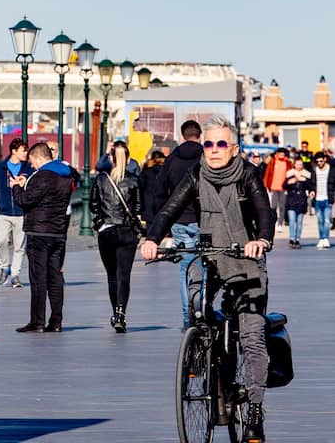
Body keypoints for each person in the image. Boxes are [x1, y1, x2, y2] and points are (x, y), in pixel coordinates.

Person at [141, 117, 274, 443]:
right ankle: (205, 347)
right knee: (197, 302)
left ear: (234, 149)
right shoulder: (196, 174)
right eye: (209, 144)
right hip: (210, 254)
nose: (214, 150)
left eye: (221, 144)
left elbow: (264, 212)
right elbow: (170, 209)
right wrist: (152, 238)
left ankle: (254, 411)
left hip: (246, 260)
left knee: (253, 337)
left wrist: (262, 240)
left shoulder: (247, 176)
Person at [12, 142, 76, 333]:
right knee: (55, 277)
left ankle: (37, 321)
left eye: (32, 161)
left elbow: (25, 201)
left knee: (38, 278)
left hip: (39, 232)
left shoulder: (43, 176)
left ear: (39, 157)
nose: (32, 165)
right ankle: (56, 321)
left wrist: (17, 187)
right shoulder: (65, 175)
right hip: (58, 231)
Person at [91, 140, 143, 333]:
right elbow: (139, 208)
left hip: (107, 230)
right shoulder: (134, 180)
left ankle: (115, 312)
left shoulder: (101, 179)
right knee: (124, 276)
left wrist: (99, 223)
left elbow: (93, 205)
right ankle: (121, 313)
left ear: (111, 158)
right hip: (127, 231)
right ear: (128, 159)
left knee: (112, 276)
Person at [160, 119, 205, 329]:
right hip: (202, 219)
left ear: (182, 135)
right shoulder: (207, 158)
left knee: (185, 268)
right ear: (200, 134)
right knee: (203, 266)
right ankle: (200, 311)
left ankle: (187, 319)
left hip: (178, 219)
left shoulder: (172, 160)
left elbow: (160, 190)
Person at [0, 138, 32, 287]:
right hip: (4, 212)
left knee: (19, 246)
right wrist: (0, 201)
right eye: (23, 150)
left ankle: (15, 275)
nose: (26, 153)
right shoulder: (0, 167)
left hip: (21, 212)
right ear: (14, 151)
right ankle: (5, 266)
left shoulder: (29, 168)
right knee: (1, 240)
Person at [283, 158, 311, 249]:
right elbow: (284, 186)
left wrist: (304, 181)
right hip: (291, 200)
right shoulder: (289, 173)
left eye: (300, 164)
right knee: (291, 220)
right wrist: (289, 182)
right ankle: (291, 238)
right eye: (297, 164)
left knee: (299, 222)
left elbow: (310, 186)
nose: (299, 166)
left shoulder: (306, 174)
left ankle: (297, 239)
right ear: (294, 165)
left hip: (301, 200)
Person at [311, 152, 334, 248]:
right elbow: (311, 183)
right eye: (317, 162)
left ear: (325, 159)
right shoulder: (314, 170)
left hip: (327, 198)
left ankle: (326, 238)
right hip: (317, 199)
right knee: (320, 220)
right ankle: (321, 238)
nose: (319, 163)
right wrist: (312, 190)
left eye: (321, 161)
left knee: (327, 220)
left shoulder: (331, 170)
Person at [263, 148, 291, 226]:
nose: (282, 155)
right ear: (277, 154)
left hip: (283, 188)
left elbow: (290, 174)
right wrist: (265, 184)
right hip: (273, 187)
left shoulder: (288, 163)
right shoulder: (272, 162)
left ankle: (280, 223)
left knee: (282, 207)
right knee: (273, 206)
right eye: (280, 153)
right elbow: (267, 173)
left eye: (283, 154)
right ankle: (273, 221)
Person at [140, 149, 167, 223]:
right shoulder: (166, 172)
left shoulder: (146, 172)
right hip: (163, 206)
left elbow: (140, 188)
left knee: (149, 230)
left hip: (148, 206)